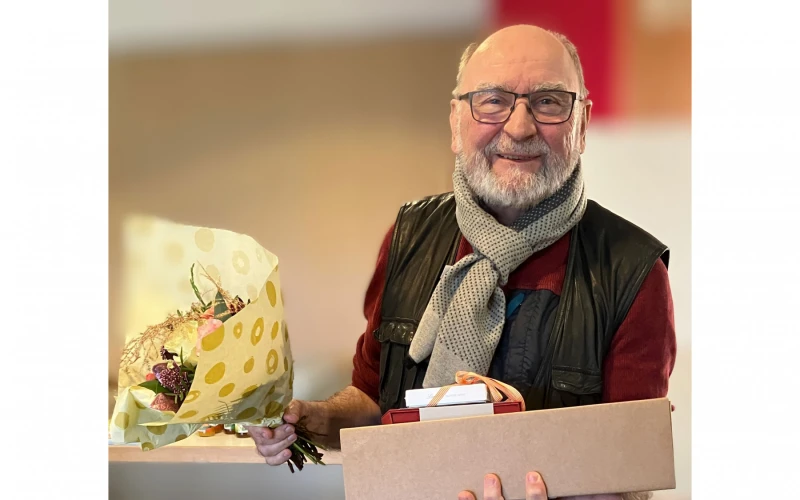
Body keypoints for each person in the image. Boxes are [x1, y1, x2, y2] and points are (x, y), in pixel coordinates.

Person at [250, 24, 676, 500]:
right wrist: (314, 419)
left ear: (582, 122)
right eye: (492, 101)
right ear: (456, 121)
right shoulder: (408, 236)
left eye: (549, 101)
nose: (519, 127)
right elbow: (372, 399)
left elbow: (630, 471)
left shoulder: (633, 271)